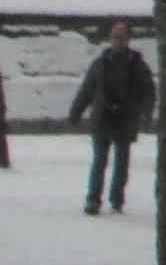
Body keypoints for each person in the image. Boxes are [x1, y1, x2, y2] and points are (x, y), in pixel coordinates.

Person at [65, 21, 156, 214]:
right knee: (99, 160)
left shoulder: (138, 65)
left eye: (121, 37)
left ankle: (116, 199)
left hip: (126, 118)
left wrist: (147, 113)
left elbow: (148, 90)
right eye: (114, 37)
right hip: (102, 117)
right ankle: (93, 199)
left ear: (128, 40)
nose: (117, 41)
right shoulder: (100, 63)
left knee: (121, 162)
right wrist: (75, 113)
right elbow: (87, 90)